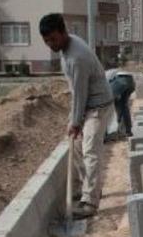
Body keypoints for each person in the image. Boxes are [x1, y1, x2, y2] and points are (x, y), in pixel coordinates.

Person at [39, 13, 114, 219]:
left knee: (90, 150)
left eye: (53, 39)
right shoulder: (67, 47)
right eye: (46, 41)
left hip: (98, 106)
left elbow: (81, 93)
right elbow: (76, 92)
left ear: (63, 32)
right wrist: (75, 120)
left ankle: (90, 202)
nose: (51, 44)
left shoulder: (77, 57)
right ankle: (89, 188)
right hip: (87, 104)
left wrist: (76, 122)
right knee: (78, 148)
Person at [106, 68, 135, 138]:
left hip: (119, 80)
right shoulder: (109, 72)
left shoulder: (102, 78)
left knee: (105, 107)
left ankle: (103, 134)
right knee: (123, 106)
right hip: (131, 81)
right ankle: (127, 131)